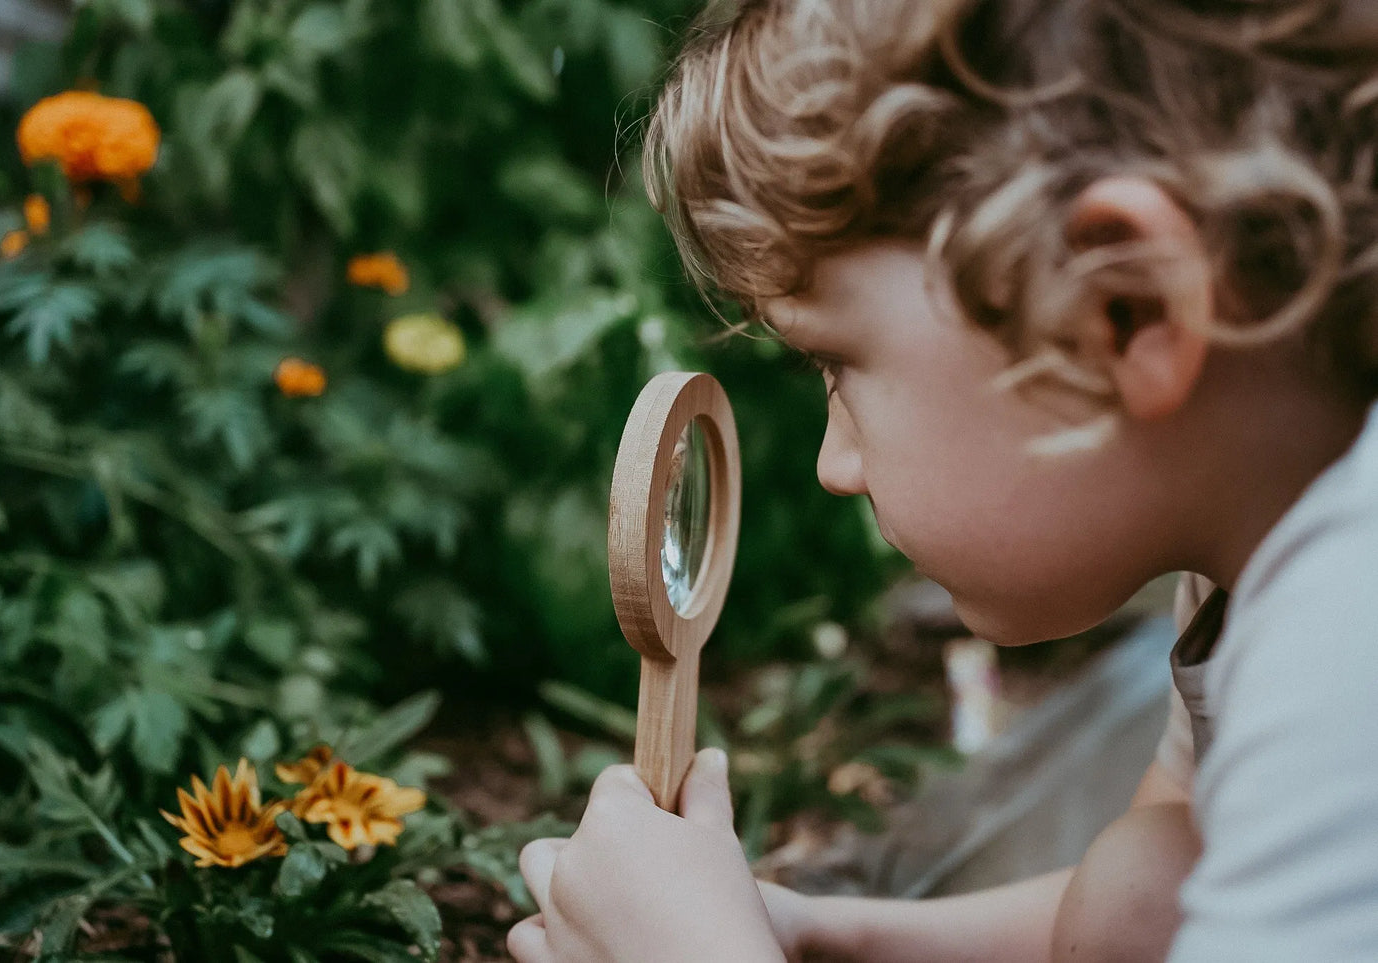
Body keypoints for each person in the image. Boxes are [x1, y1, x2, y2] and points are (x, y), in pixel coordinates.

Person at [508, 0, 1378, 959]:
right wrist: (829, 931)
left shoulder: (1350, 636)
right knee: (1140, 885)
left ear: (1126, 307)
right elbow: (1173, 910)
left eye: (838, 365)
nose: (834, 465)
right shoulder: (1256, 555)